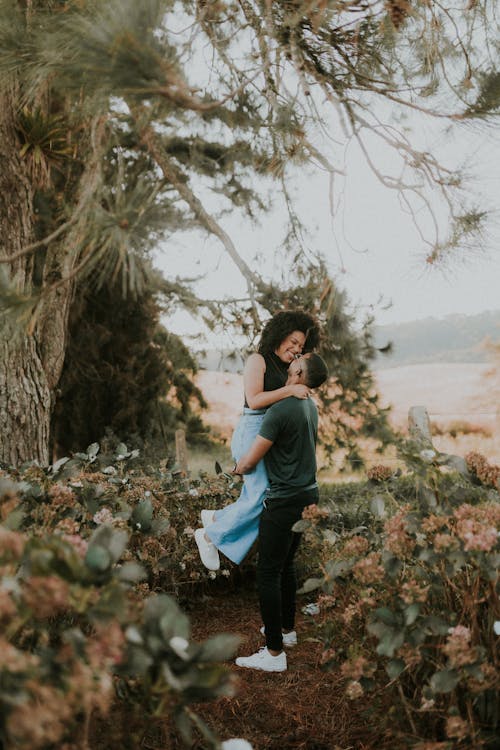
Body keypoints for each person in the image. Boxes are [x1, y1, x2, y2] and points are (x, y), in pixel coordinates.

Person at [194, 311, 320, 571]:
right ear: (280, 334)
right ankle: (209, 536)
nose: (297, 349)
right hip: (253, 428)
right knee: (262, 494)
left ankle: (216, 517)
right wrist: (291, 390)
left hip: (270, 433)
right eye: (293, 342)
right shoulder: (258, 360)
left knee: (261, 494)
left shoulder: (289, 367)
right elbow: (254, 399)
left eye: (301, 346)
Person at [232, 352, 329, 673]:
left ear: (299, 371)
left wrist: (237, 468)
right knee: (286, 565)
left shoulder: (280, 410)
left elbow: (249, 460)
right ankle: (287, 631)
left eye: (300, 356)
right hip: (307, 494)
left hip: (284, 499)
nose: (294, 356)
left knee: (268, 573)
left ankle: (273, 654)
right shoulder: (309, 406)